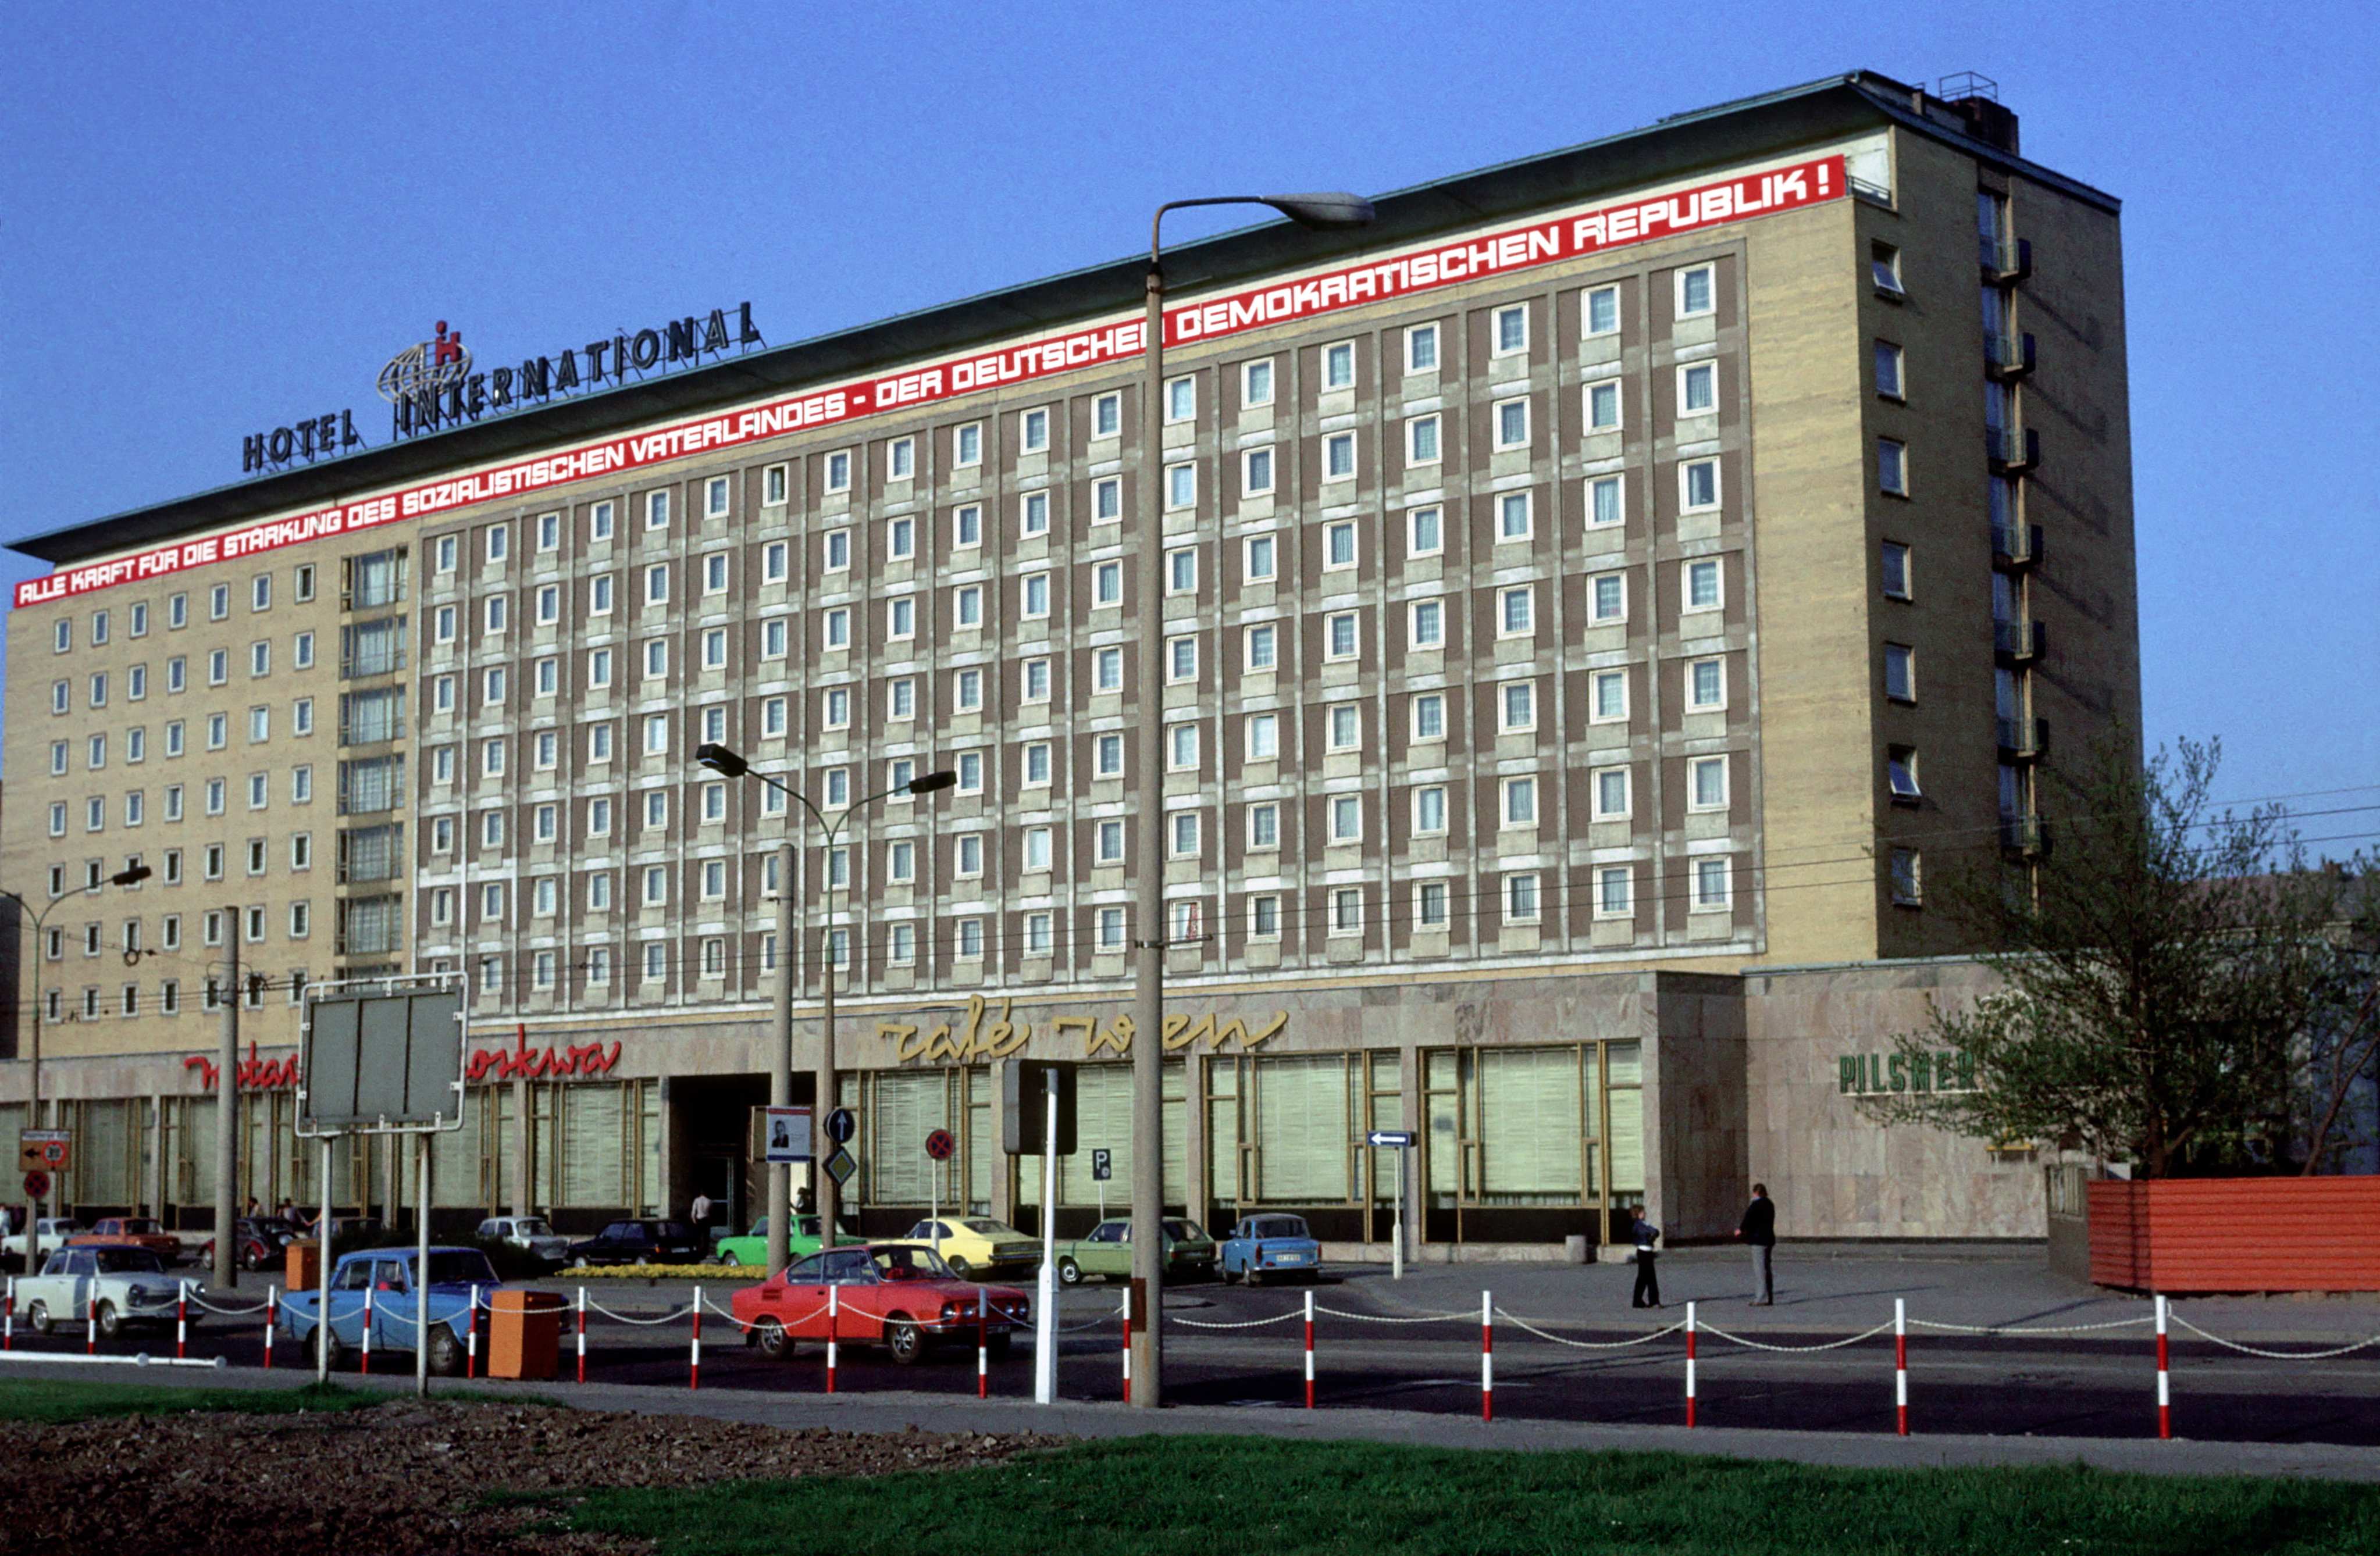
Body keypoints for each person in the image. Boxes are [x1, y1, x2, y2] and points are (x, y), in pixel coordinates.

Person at [1735, 1182, 1777, 1305]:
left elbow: (1748, 1219)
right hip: (1769, 1239)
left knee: (1759, 1270)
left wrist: (1740, 1230)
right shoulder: (1770, 1204)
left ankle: (1760, 1297)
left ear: (1756, 1193)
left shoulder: (1756, 1205)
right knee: (1767, 1268)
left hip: (1758, 1240)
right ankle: (1769, 1297)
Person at [1629, 1207, 1662, 1308]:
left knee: (1649, 1277)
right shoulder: (1639, 1225)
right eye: (1643, 1212)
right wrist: (1652, 1234)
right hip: (1643, 1252)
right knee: (1644, 1277)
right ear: (1638, 1214)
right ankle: (1640, 1301)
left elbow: (1655, 1231)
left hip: (1647, 1251)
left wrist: (1653, 1234)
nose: (1645, 1213)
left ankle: (1651, 1301)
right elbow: (1649, 1232)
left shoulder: (1643, 1224)